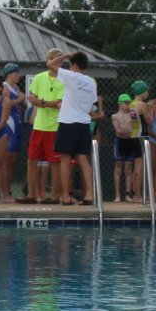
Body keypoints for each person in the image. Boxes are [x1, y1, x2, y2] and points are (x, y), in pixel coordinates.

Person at [47, 51, 97, 206]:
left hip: (68, 122)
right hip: (83, 123)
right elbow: (91, 106)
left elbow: (50, 64)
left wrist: (65, 56)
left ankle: (65, 195)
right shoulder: (91, 83)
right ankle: (89, 194)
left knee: (65, 159)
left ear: (74, 65)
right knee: (83, 159)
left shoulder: (72, 76)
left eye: (70, 64)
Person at [27, 49, 66, 205]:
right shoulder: (39, 77)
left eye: (58, 60)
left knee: (55, 163)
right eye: (51, 59)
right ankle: (31, 195)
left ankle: (54, 195)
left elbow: (59, 103)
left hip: (55, 127)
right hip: (38, 125)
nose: (54, 63)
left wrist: (41, 102)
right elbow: (32, 98)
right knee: (32, 160)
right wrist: (43, 103)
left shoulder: (64, 80)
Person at [0, 64, 26, 200]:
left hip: (17, 123)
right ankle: (5, 193)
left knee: (12, 160)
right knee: (6, 160)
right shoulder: (4, 87)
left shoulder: (15, 87)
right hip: (9, 124)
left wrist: (21, 102)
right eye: (17, 73)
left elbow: (17, 103)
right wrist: (20, 99)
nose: (19, 76)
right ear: (10, 74)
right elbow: (7, 103)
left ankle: (8, 191)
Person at [110, 94, 141, 202]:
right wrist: (129, 131)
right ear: (120, 103)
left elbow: (136, 128)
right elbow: (119, 130)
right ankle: (117, 195)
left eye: (129, 103)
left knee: (128, 168)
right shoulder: (115, 116)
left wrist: (127, 131)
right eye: (126, 103)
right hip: (120, 142)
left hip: (130, 142)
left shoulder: (132, 115)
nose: (128, 105)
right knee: (118, 168)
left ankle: (128, 194)